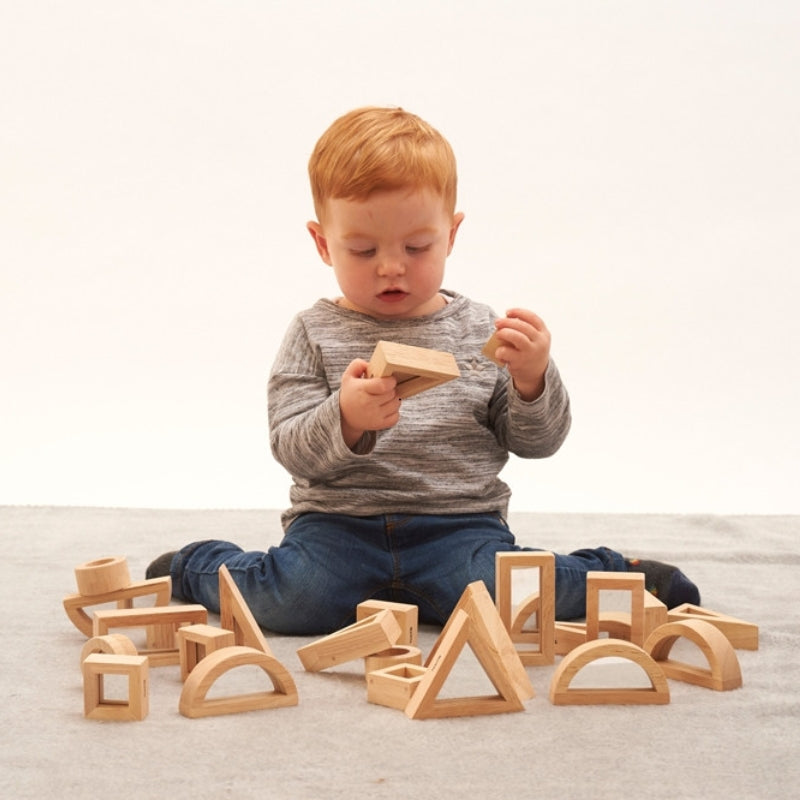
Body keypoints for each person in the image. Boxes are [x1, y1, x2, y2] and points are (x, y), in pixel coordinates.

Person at [147, 106, 699, 635]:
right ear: (322, 243)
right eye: (362, 250)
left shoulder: (481, 327)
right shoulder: (312, 332)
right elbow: (289, 446)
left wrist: (532, 381)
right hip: (339, 528)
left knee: (507, 596)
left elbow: (539, 443)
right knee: (295, 597)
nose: (392, 266)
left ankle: (613, 573)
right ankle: (196, 565)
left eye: (417, 246)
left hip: (460, 528)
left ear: (451, 235)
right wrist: (345, 418)